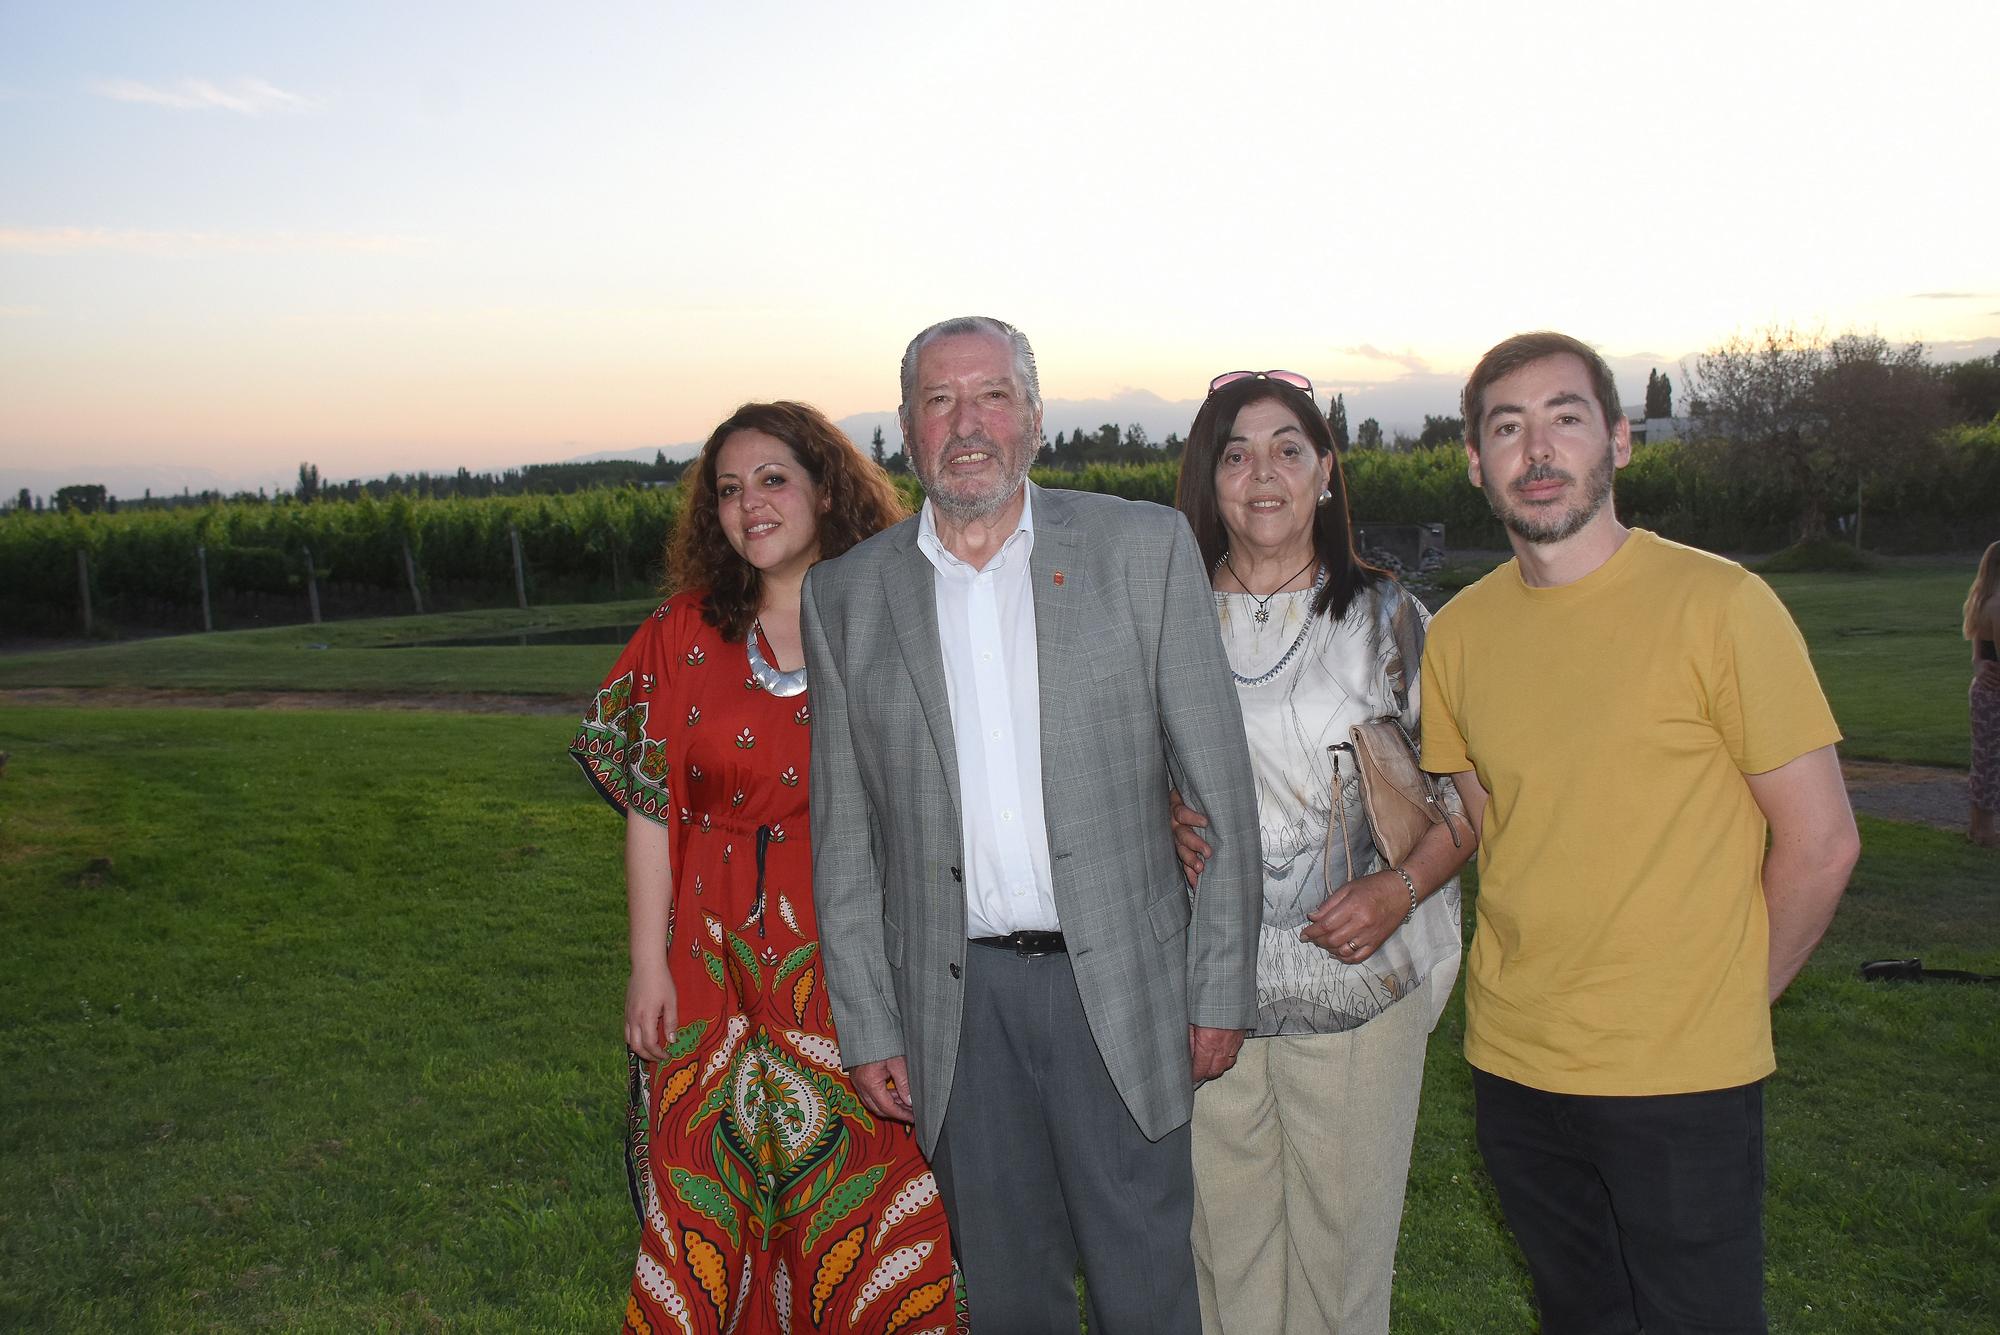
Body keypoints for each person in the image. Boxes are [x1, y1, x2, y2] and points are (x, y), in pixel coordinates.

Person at [800, 316, 1263, 1334]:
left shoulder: (1140, 551)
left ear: (1035, 419)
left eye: (993, 396)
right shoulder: (846, 597)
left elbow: (1218, 794)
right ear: (907, 430)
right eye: (939, 401)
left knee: (1146, 1287)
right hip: (959, 1009)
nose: (967, 424)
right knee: (1010, 1298)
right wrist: (869, 1020)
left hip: (1124, 991)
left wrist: (1219, 984)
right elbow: (842, 841)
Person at [1421, 331, 1862, 1334]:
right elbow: (1496, 818)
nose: (1536, 449)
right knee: (1579, 1317)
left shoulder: (1720, 607)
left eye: (1563, 418)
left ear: (1617, 441)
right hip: (1514, 1064)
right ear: (1474, 461)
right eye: (1506, 427)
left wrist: (1723, 1007)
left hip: (1677, 1078)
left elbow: (1821, 844)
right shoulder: (1457, 635)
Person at [569, 402, 961, 1335]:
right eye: (731, 490)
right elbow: (648, 810)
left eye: (773, 479)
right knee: (708, 1218)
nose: (750, 505)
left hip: (854, 977)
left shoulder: (896, 621)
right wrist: (647, 964)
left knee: (865, 1211)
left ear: (828, 488)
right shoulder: (679, 632)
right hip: (706, 979)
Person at [1168, 370, 1477, 1335]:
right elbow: (1108, 775)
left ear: (1327, 472)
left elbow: (1473, 796)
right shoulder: (1162, 619)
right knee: (1227, 1263)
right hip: (1206, 989)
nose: (1263, 472)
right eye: (1236, 451)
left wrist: (1402, 885)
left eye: (1288, 448)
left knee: (1343, 1272)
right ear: (1209, 480)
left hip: (1359, 983)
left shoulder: (1389, 618)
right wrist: (1154, 816)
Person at [1967, 540, 2000, 847]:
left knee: (1984, 759)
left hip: (1983, 692)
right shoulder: (1998, 605)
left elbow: (1978, 656)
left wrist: (1979, 666)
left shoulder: (1982, 600)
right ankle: (1986, 831)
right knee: (1991, 761)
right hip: (1995, 696)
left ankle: (1979, 827)